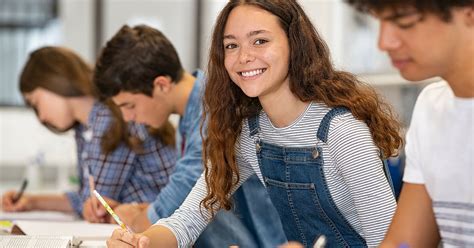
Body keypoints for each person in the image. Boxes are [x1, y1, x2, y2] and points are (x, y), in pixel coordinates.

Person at [107, 0, 404, 247]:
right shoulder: (250, 135)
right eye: (231, 46)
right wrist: (141, 242)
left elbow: (392, 242)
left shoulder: (342, 132)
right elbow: (186, 220)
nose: (243, 57)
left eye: (260, 41)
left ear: (294, 44)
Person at [93, 24, 286, 247]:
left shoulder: (213, 110)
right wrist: (138, 209)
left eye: (129, 105)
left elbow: (179, 197)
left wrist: (134, 221)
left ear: (162, 85)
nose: (127, 117)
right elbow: (189, 205)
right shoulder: (191, 112)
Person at [346, 0, 474, 247]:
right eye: (379, 19)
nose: (384, 42)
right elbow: (404, 243)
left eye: (404, 20)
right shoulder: (432, 108)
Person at [1, 46, 177, 219]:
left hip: (165, 227)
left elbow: (96, 205)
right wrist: (31, 202)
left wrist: (37, 202)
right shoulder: (86, 127)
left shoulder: (110, 118)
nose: (41, 117)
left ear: (54, 81)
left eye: (36, 103)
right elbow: (88, 198)